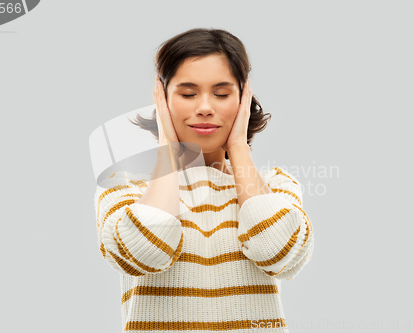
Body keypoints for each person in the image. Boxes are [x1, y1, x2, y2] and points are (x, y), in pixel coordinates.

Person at [94, 28, 314, 332]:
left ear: (243, 99)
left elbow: (277, 252)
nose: (205, 107)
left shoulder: (276, 187)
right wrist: (168, 151)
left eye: (222, 94)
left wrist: (238, 147)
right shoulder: (123, 187)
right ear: (162, 100)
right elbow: (146, 252)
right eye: (187, 94)